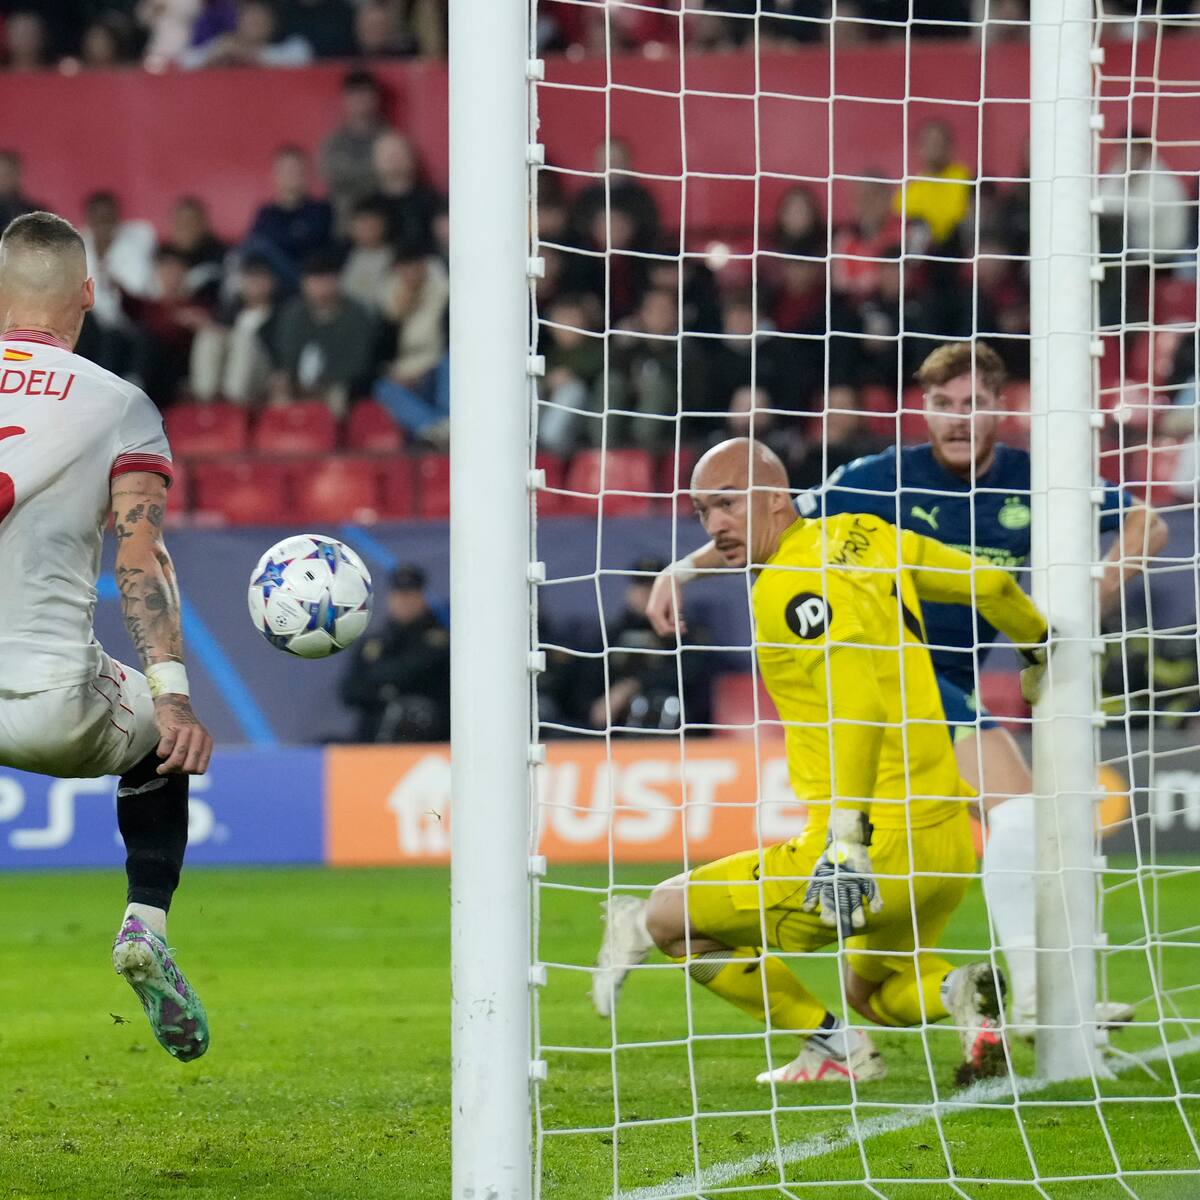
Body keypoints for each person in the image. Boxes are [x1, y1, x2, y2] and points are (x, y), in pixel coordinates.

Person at [646, 341, 1169, 1035]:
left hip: (946, 689)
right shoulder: (880, 480)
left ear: (1000, 408)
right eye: (944, 404)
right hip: (904, 678)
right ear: (924, 411)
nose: (958, 419)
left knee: (876, 979)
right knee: (1019, 818)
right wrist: (681, 570)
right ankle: (1044, 998)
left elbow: (1148, 522)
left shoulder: (1033, 479)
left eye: (974, 404)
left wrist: (1085, 606)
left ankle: (1025, 997)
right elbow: (769, 515)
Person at [594, 438, 1052, 1085]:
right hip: (947, 842)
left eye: (727, 503)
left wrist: (845, 839)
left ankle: (833, 1048)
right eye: (702, 511)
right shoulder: (865, 534)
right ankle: (960, 989)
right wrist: (1037, 648)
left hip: (868, 850)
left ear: (777, 498)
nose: (714, 524)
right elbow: (993, 583)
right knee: (875, 991)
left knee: (663, 917)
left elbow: (857, 704)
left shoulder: (786, 588)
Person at [0, 211, 213, 1060]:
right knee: (158, 740)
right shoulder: (119, 404)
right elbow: (138, 557)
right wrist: (175, 696)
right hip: (51, 700)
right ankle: (145, 925)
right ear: (87, 294)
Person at [340, 564, 450, 743]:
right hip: (372, 737)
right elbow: (350, 691)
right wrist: (388, 689)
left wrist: (377, 683)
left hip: (427, 740)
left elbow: (410, 669)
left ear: (422, 598)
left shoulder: (438, 641)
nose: (404, 602)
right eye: (399, 595)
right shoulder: (373, 643)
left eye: (410, 596)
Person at [268, 248, 379, 416]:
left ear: (337, 281)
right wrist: (290, 378)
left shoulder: (356, 314)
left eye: (324, 281)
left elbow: (358, 362)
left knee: (337, 397)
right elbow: (285, 352)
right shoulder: (292, 313)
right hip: (297, 381)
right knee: (278, 390)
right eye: (314, 282)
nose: (319, 288)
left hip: (339, 382)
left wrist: (323, 381)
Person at [242, 146, 334, 290]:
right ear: (274, 175)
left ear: (308, 174)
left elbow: (312, 246)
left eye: (297, 170)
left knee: (260, 246)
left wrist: (276, 243)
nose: (292, 176)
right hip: (272, 283)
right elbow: (253, 251)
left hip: (308, 280)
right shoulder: (265, 213)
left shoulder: (321, 209)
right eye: (286, 170)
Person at [319, 70, 389, 232]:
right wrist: (375, 174)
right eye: (354, 95)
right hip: (344, 222)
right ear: (344, 100)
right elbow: (332, 176)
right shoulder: (333, 143)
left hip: (383, 221)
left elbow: (394, 177)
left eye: (365, 94)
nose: (360, 101)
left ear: (375, 98)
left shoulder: (389, 138)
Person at [893, 120, 973, 249]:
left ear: (950, 146)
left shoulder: (967, 180)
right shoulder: (909, 191)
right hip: (925, 253)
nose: (934, 148)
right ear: (918, 148)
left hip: (959, 247)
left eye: (938, 142)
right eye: (928, 143)